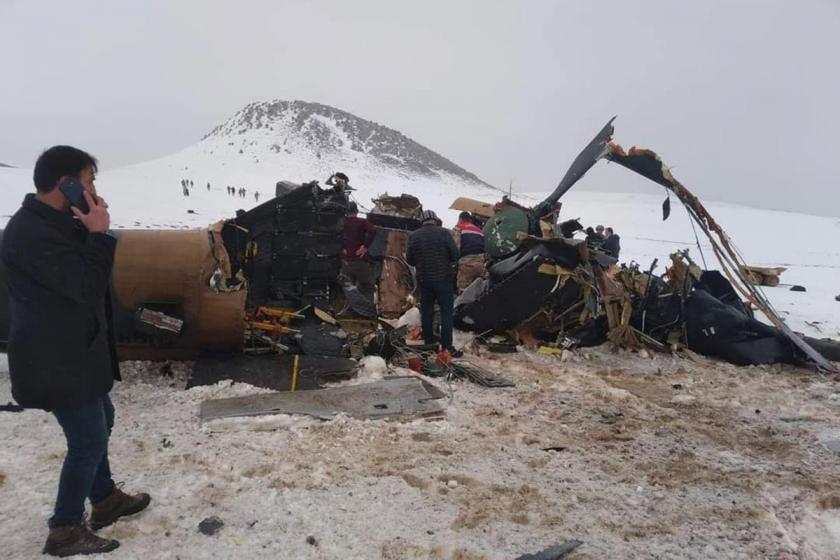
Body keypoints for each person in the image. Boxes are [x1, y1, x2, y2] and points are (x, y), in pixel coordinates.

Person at [1, 146, 151, 556]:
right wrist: (98, 236)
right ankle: (64, 529)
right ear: (63, 184)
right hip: (53, 358)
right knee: (87, 439)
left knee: (103, 417)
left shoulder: (55, 222)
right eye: (88, 181)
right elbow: (85, 287)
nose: (93, 190)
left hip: (73, 350)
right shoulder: (31, 234)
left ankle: (104, 499)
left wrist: (89, 229)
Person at [406, 210, 462, 357]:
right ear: (435, 220)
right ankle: (446, 347)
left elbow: (409, 260)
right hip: (443, 279)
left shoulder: (414, 235)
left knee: (427, 312)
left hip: (424, 281)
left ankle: (429, 344)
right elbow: (455, 255)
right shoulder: (444, 233)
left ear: (422, 221)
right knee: (446, 314)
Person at [341, 201, 378, 302]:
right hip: (360, 261)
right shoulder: (362, 222)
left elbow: (333, 235)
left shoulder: (341, 222)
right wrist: (365, 246)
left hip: (344, 262)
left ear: (345, 212)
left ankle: (347, 312)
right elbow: (373, 230)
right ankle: (367, 312)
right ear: (357, 211)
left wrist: (342, 247)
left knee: (346, 288)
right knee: (367, 287)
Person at [451, 211, 485, 292]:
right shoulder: (479, 231)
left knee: (463, 291)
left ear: (460, 219)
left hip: (466, 265)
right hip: (480, 264)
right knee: (477, 291)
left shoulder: (459, 228)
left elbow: (456, 247)